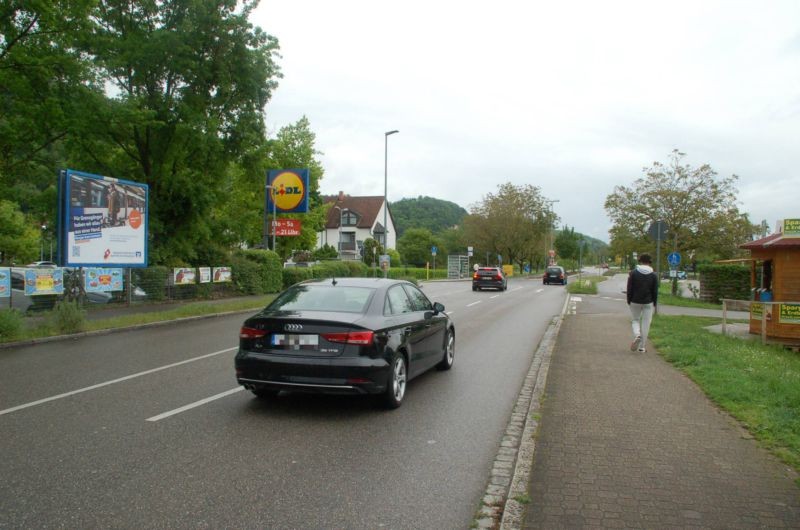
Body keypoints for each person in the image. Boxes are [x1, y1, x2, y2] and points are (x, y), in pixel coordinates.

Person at [627, 253, 658, 353]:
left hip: (635, 301)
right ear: (649, 262)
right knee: (646, 323)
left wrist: (629, 299)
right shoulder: (653, 275)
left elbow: (629, 288)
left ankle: (637, 334)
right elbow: (655, 291)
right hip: (648, 302)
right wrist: (654, 302)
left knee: (635, 320)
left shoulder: (633, 273)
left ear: (640, 261)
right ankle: (642, 347)